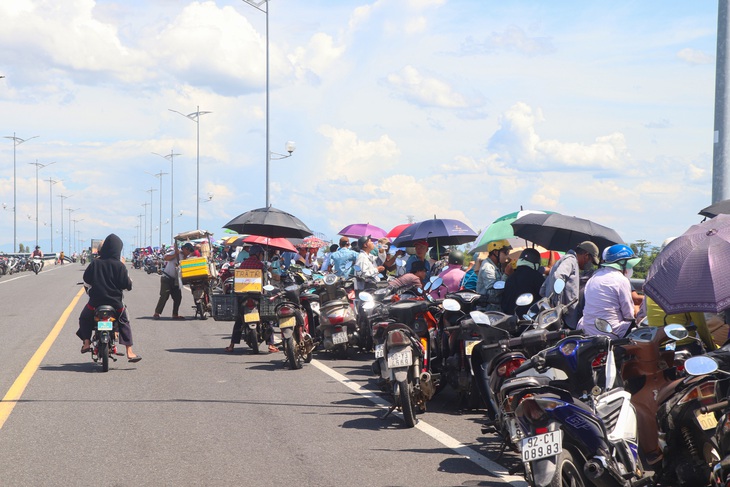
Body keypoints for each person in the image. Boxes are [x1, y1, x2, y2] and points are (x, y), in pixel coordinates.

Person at [77, 233, 141, 362]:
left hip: (95, 303)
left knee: (84, 318)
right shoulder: (119, 266)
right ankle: (129, 351)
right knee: (124, 321)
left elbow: (86, 280)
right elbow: (127, 285)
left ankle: (86, 342)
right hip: (115, 304)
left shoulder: (95, 263)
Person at [225, 245, 279, 353]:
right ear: (258, 254)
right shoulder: (260, 265)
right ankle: (271, 345)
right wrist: (269, 268)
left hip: (243, 295)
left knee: (239, 320)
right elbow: (268, 275)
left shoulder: (244, 264)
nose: (262, 256)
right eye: (261, 254)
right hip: (257, 295)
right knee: (267, 317)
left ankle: (231, 345)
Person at [578, 244, 640, 337]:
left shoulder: (594, 277)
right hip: (611, 332)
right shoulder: (622, 280)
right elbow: (628, 315)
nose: (630, 268)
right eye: (629, 264)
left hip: (587, 330)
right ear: (622, 263)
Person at [540, 241, 600, 329]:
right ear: (586, 256)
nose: (589, 264)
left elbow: (543, 289)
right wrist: (557, 304)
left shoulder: (563, 260)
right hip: (564, 319)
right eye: (590, 261)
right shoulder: (571, 260)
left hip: (557, 316)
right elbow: (558, 276)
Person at [152, 242, 191, 320]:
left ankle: (175, 314)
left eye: (190, 250)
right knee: (164, 296)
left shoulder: (187, 258)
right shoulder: (176, 253)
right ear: (183, 248)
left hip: (176, 280)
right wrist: (175, 255)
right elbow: (165, 258)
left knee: (178, 297)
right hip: (167, 278)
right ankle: (157, 313)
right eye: (188, 249)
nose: (189, 251)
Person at [501, 248, 545, 316]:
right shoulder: (537, 277)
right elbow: (545, 295)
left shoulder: (511, 277)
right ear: (536, 264)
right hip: (528, 321)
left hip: (509, 319)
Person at [476, 240, 513, 311]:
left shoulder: (496, 266)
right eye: (505, 252)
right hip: (488, 311)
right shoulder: (487, 268)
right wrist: (506, 274)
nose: (507, 256)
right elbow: (493, 293)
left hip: (496, 309)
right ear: (496, 252)